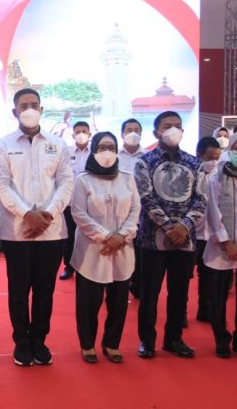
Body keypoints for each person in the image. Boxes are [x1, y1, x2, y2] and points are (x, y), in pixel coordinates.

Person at [0, 88, 74, 367]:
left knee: (44, 291)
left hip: (51, 231)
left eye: (34, 105)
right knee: (18, 291)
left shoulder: (57, 144)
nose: (29, 109)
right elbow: (2, 185)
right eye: (23, 105)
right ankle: (22, 343)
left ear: (41, 109)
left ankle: (39, 341)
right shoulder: (3, 145)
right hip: (17, 232)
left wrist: (47, 214)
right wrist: (27, 214)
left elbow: (66, 182)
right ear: (15, 111)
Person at [134, 111, 206, 359]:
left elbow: (201, 199)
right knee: (149, 293)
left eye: (177, 125)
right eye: (167, 126)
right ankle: (147, 341)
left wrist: (184, 226)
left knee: (179, 292)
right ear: (156, 132)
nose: (173, 130)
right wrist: (168, 226)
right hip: (151, 239)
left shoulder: (195, 163)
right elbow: (146, 198)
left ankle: (174, 339)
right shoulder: (144, 162)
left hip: (185, 239)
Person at [70, 132, 141, 364]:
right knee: (88, 303)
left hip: (122, 247)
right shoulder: (83, 180)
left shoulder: (127, 178)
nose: (107, 152)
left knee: (119, 302)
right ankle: (87, 344)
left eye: (111, 147)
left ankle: (112, 343)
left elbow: (135, 210)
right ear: (93, 151)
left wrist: (121, 236)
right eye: (102, 147)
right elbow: (78, 213)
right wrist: (106, 237)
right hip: (92, 249)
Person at [203, 131, 237, 358]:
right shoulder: (216, 178)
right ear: (229, 150)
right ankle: (221, 338)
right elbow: (212, 211)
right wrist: (226, 242)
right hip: (222, 245)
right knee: (218, 296)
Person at [193, 137, 222, 323]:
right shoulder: (191, 173)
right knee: (183, 275)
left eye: (217, 158)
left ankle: (206, 310)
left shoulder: (221, 176)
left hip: (211, 233)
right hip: (192, 233)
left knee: (209, 275)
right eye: (210, 158)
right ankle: (180, 314)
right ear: (199, 155)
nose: (214, 162)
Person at [118, 118, 147, 298]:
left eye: (136, 129)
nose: (133, 133)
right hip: (119, 210)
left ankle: (137, 285)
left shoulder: (148, 156)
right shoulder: (114, 156)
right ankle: (116, 284)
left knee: (139, 250)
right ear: (122, 134)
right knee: (120, 246)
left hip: (143, 210)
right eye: (129, 130)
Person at [60, 121, 91, 280]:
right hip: (70, 203)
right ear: (73, 135)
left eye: (84, 131)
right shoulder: (66, 152)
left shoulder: (96, 152)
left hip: (90, 205)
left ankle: (88, 267)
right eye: (78, 131)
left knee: (89, 236)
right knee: (70, 236)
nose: (81, 134)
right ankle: (69, 267)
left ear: (90, 134)